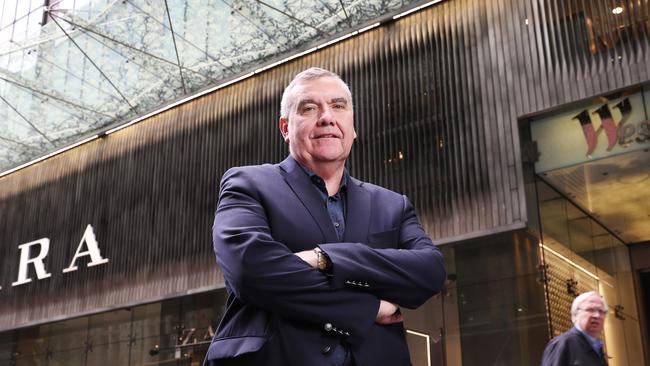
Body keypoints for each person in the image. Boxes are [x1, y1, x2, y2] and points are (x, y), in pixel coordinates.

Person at [204, 67, 446, 366]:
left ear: (352, 126)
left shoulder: (393, 205)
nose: (327, 116)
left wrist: (327, 259)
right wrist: (367, 308)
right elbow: (250, 271)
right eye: (309, 108)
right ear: (285, 128)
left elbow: (431, 271)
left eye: (338, 106)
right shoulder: (248, 184)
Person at [541, 291, 609, 366]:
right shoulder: (563, 344)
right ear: (575, 316)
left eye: (601, 311)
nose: (597, 315)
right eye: (590, 310)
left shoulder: (597, 348)